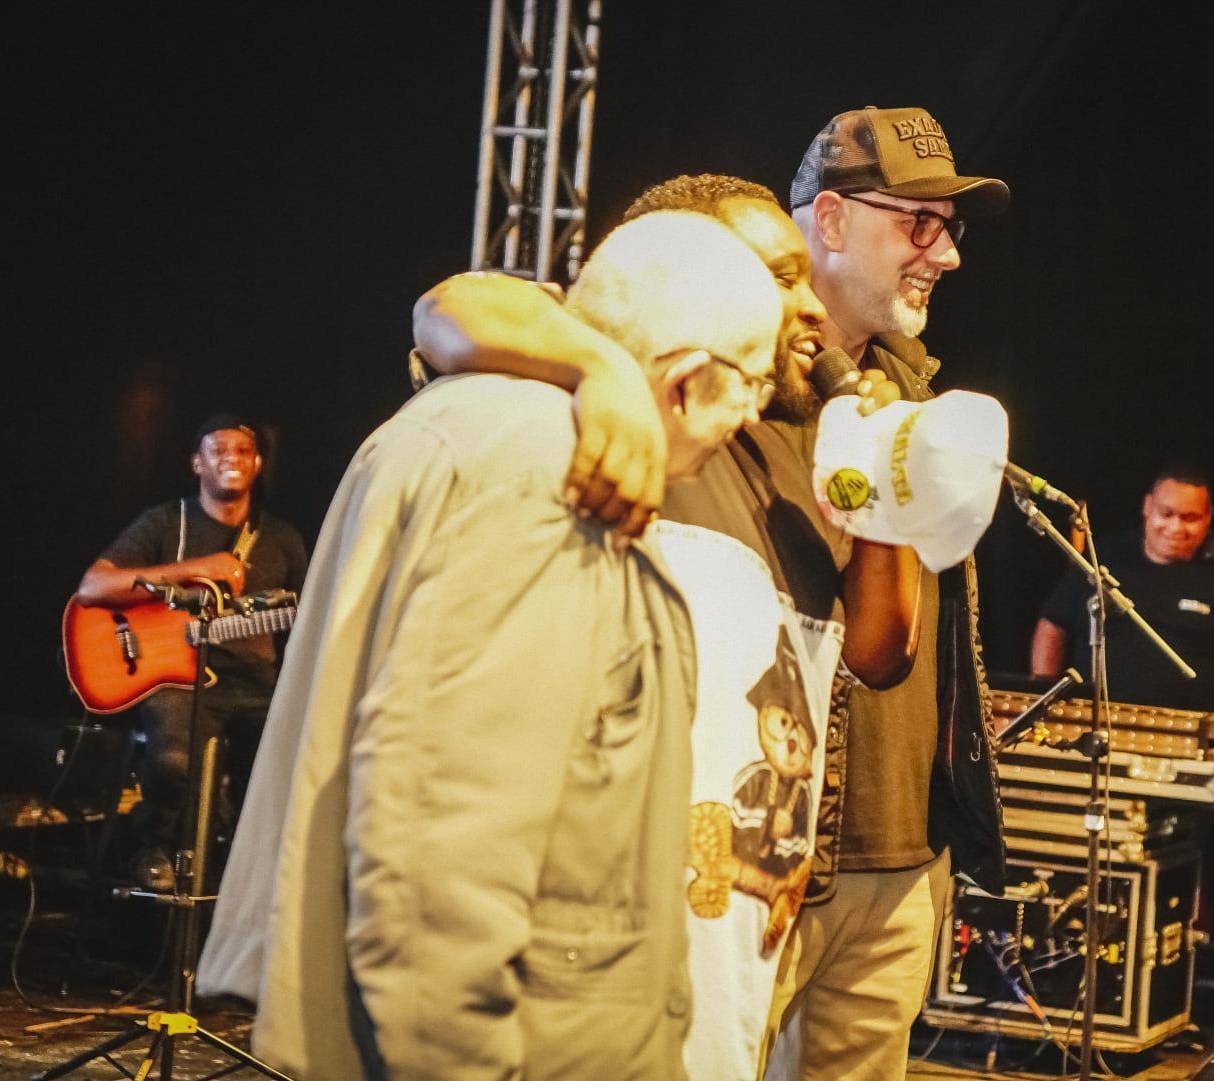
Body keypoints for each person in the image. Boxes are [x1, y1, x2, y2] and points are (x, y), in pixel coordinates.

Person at [199, 210, 784, 1081]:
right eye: (753, 384)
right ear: (688, 379)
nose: (754, 413)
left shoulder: (486, 420)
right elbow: (438, 865)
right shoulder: (555, 477)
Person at [398, 172, 924, 1079]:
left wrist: (887, 477)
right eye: (780, 277)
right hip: (589, 940)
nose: (810, 306)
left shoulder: (784, 454)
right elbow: (449, 307)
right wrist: (601, 371)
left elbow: (880, 653)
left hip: (729, 938)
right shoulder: (623, 392)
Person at [763, 105, 1012, 1081]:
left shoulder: (914, 396)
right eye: (920, 223)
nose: (946, 254)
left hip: (902, 858)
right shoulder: (726, 392)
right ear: (829, 219)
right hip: (756, 853)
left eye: (950, 227)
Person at [75, 413, 308, 889]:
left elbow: (310, 614)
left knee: (288, 765)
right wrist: (198, 568)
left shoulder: (282, 538)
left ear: (257, 464)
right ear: (197, 463)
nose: (230, 458)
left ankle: (249, 870)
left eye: (242, 451)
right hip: (176, 680)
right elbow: (93, 587)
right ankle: (157, 847)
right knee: (174, 762)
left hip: (255, 686)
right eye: (217, 450)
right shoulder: (165, 521)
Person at [1031, 466, 1214, 727]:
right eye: (1166, 514)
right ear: (1148, 507)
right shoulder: (1103, 556)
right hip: (1092, 725)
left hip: (1191, 734)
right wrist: (1045, 705)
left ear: (1208, 517)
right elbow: (1052, 626)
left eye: (1190, 518)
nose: (1176, 527)